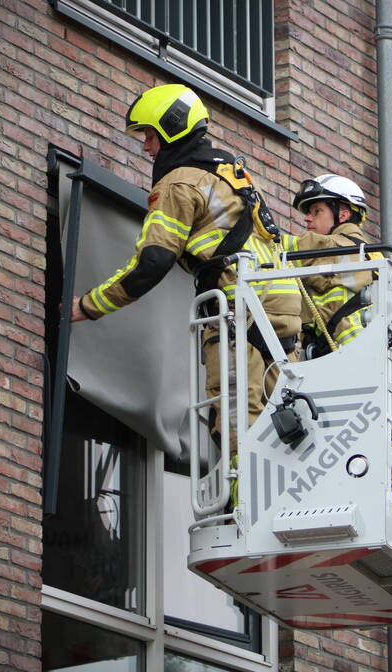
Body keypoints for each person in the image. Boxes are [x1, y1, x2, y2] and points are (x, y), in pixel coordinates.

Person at [71, 83, 301, 455]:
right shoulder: (229, 172)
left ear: (171, 128)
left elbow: (152, 263)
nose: (146, 147)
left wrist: (88, 306)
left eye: (149, 135)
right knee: (288, 417)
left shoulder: (179, 182)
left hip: (237, 308)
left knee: (234, 413)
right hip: (280, 304)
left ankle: (242, 499)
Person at [285, 174, 374, 358]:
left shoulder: (333, 246)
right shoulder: (373, 254)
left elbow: (279, 248)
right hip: (363, 353)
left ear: (343, 214)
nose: (307, 219)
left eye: (317, 211)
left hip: (348, 351)